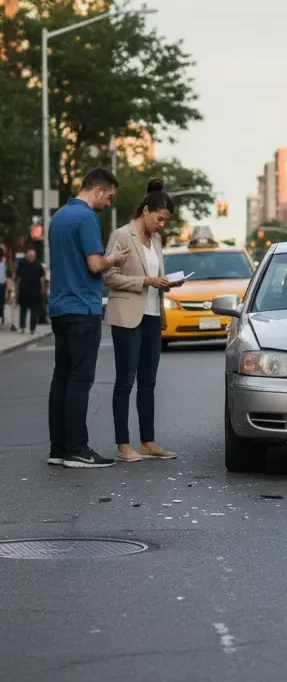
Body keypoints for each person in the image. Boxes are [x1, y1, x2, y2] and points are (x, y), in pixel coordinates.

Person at [48, 168, 129, 468]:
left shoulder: (58, 217)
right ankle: (78, 449)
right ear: (97, 190)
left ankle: (57, 449)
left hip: (59, 308)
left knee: (62, 378)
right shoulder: (86, 218)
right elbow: (95, 264)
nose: (108, 202)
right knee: (80, 380)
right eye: (108, 196)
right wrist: (115, 259)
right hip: (83, 308)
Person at [104, 179, 183, 461]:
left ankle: (148, 441)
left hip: (152, 315)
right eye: (160, 219)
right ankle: (123, 444)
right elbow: (109, 276)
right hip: (127, 315)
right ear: (146, 211)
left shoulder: (157, 240)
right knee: (125, 380)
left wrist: (166, 283)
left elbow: (153, 276)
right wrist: (146, 280)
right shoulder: (122, 236)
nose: (162, 224)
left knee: (148, 381)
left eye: (165, 221)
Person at [15, 248, 46, 335]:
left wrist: (43, 290)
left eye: (32, 255)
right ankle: (25, 327)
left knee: (30, 310)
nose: (31, 257)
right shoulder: (25, 264)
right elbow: (18, 279)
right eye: (30, 255)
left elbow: (42, 278)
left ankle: (28, 328)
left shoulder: (36, 264)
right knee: (27, 310)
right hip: (26, 291)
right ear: (27, 256)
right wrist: (17, 290)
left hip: (32, 291)